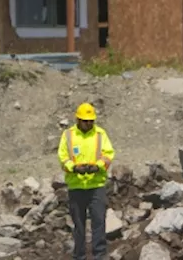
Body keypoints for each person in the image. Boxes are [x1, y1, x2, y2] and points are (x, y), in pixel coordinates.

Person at [58, 103, 115, 260]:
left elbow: (108, 154)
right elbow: (63, 157)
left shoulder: (100, 134)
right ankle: (79, 256)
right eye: (85, 121)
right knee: (79, 225)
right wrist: (74, 168)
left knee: (98, 223)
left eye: (91, 121)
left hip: (96, 185)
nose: (88, 124)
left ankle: (100, 255)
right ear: (78, 119)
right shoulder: (68, 135)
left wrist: (97, 167)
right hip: (76, 186)